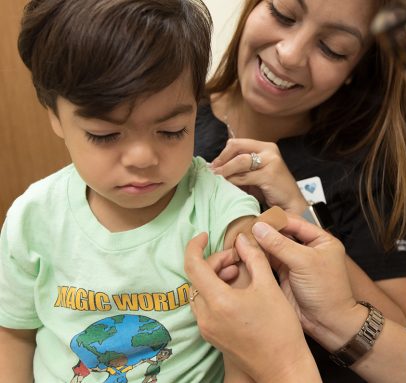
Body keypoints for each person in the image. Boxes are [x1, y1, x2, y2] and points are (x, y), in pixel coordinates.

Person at [185, 0, 406, 381]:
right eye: (283, 13)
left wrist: (302, 211)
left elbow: (402, 329)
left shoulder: (361, 169)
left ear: (357, 67)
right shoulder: (170, 119)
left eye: (332, 48)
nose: (289, 54)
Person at [0, 0, 261, 382]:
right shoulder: (33, 218)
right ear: (55, 116)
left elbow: (251, 344)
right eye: (105, 135)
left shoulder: (220, 211)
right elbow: (14, 334)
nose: (142, 158)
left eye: (172, 130)